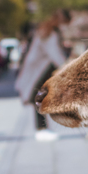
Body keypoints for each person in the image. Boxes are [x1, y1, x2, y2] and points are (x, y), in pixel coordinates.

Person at [15, 10, 70, 142]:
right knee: (39, 98)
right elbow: (54, 53)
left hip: (39, 69)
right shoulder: (50, 33)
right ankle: (41, 129)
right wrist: (67, 66)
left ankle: (42, 129)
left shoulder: (45, 31)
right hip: (39, 70)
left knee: (39, 98)